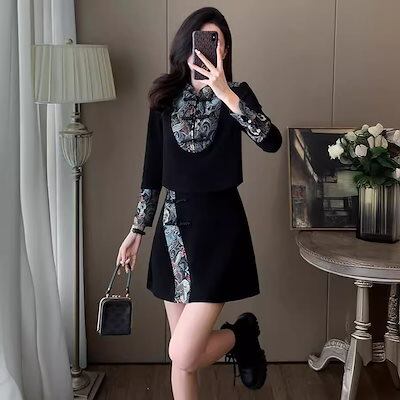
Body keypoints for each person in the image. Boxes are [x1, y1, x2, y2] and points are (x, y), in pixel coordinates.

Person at [116, 6, 282, 399]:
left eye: (216, 41)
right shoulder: (163, 98)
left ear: (224, 50)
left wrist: (226, 93)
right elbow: (152, 171)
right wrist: (137, 230)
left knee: (182, 352)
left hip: (220, 230)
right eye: (202, 39)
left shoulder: (236, 95)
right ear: (186, 45)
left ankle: (241, 335)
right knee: (183, 361)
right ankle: (242, 336)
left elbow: (271, 141)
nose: (208, 47)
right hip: (172, 232)